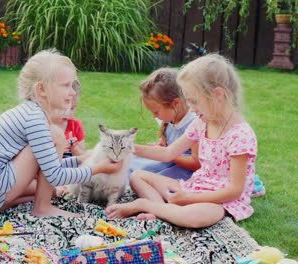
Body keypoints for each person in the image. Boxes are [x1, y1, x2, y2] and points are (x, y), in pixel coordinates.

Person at [0, 49, 123, 220]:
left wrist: (80, 159)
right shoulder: (36, 120)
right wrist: (99, 168)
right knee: (56, 138)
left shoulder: (30, 112)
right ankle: (42, 208)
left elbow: (47, 164)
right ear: (41, 89)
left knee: (52, 192)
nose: (72, 92)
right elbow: (54, 175)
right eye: (65, 85)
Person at [106, 54, 257, 228]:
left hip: (220, 200)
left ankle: (146, 205)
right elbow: (167, 153)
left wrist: (189, 198)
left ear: (218, 94)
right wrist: (128, 147)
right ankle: (162, 210)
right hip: (196, 187)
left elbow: (234, 191)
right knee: (138, 176)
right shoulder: (202, 123)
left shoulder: (241, 135)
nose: (191, 108)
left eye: (194, 101)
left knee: (194, 217)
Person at [129, 68, 200, 181]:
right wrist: (162, 148)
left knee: (141, 176)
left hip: (183, 172)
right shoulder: (171, 118)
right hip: (169, 161)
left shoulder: (195, 123)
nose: (154, 116)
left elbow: (197, 163)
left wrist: (167, 153)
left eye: (156, 111)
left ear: (176, 103)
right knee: (131, 163)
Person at [52, 79, 86, 157]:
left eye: (72, 108)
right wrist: (58, 150)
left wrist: (75, 149)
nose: (67, 113)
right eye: (63, 108)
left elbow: (83, 156)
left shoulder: (76, 125)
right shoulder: (45, 125)